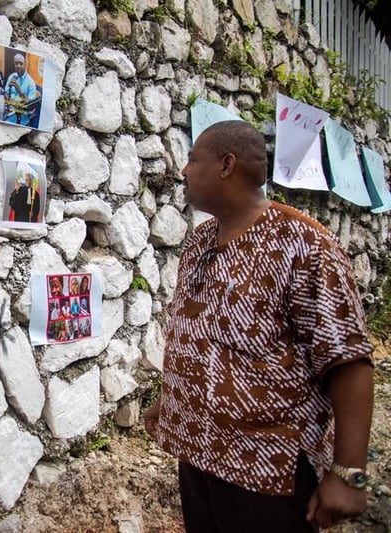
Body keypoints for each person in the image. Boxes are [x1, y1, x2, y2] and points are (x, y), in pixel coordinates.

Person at [144, 120, 374, 532]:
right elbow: (208, 338)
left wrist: (349, 472)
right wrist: (176, 402)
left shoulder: (303, 244)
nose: (183, 171)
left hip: (267, 473)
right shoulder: (200, 242)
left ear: (226, 165)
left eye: (193, 159)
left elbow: (349, 360)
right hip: (198, 456)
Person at [4, 53, 37, 126]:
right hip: (8, 112)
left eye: (21, 63)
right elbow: (5, 92)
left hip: (21, 118)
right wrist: (6, 94)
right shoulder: (12, 76)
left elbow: (30, 106)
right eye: (16, 63)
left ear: (25, 64)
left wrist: (20, 91)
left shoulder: (31, 83)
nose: (18, 66)